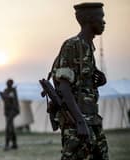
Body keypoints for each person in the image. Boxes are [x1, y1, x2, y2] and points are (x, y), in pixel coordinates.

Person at [50, 2, 109, 160]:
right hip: (77, 121)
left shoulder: (88, 46)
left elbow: (80, 84)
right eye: (100, 17)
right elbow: (64, 87)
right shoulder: (72, 45)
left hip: (92, 118)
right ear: (89, 19)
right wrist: (80, 122)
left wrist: (98, 80)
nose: (104, 22)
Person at [0, 79, 20, 151]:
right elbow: (5, 100)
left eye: (9, 83)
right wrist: (2, 95)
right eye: (7, 83)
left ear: (11, 84)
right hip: (7, 111)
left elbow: (12, 99)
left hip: (13, 110)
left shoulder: (13, 91)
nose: (8, 84)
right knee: (11, 127)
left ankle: (7, 145)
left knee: (8, 127)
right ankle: (14, 144)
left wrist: (5, 95)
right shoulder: (6, 90)